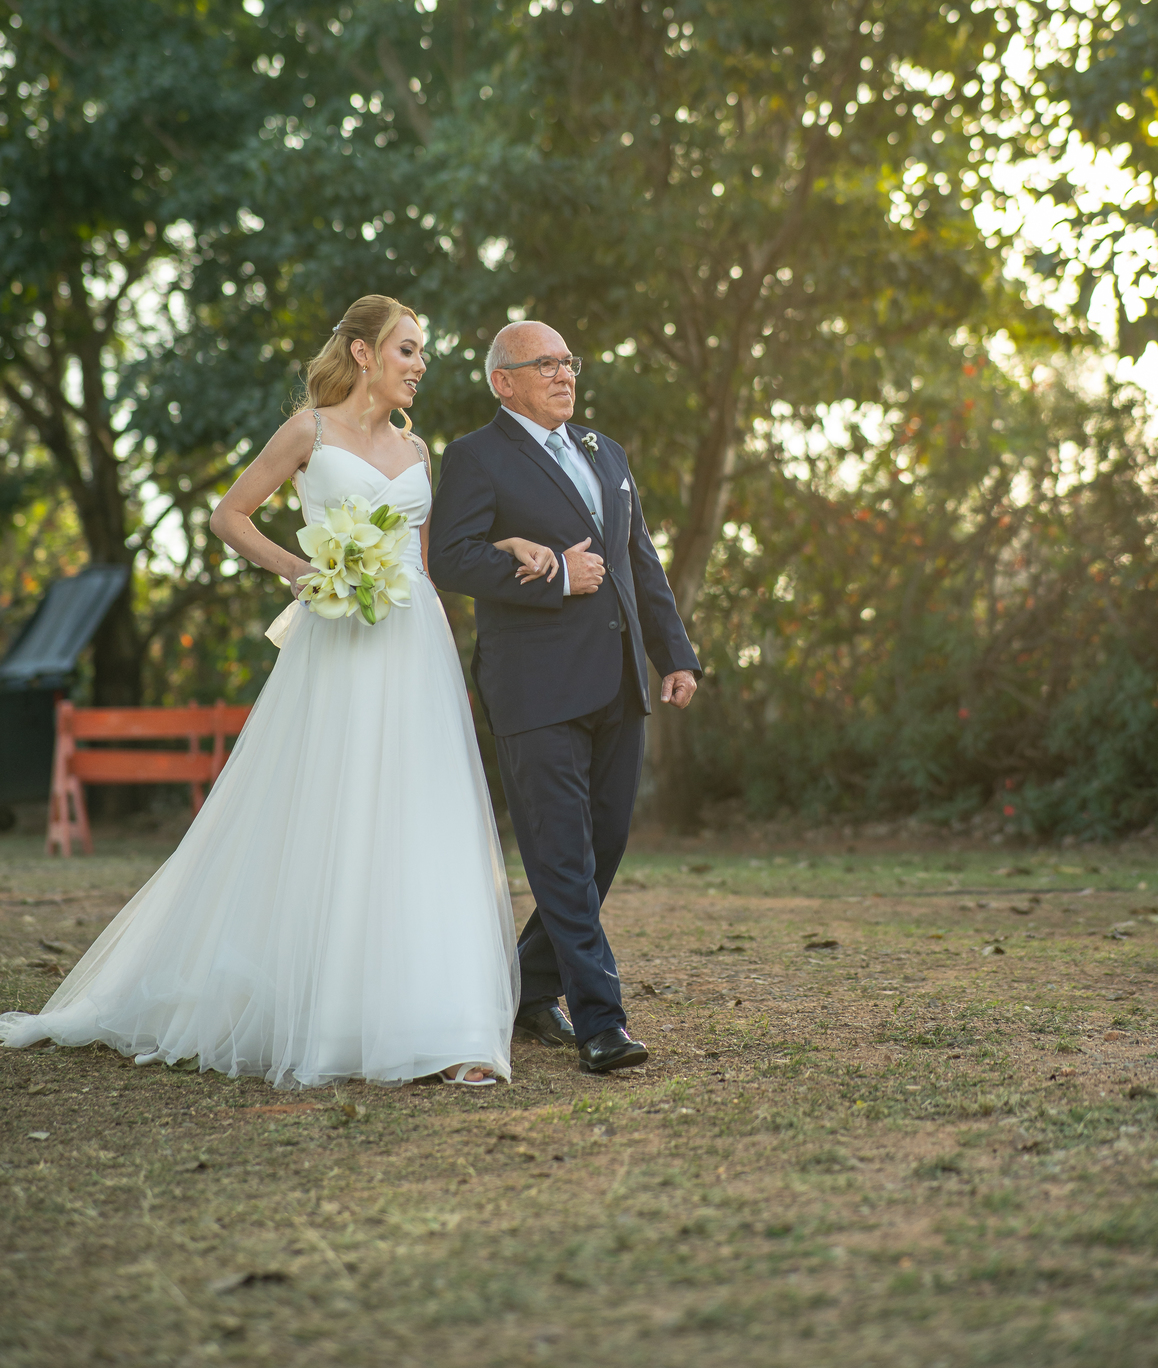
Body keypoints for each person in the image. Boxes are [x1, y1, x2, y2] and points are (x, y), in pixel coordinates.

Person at [0, 296, 540, 1091]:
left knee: (419, 812)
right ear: (363, 353)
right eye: (407, 349)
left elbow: (430, 562)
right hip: (338, 640)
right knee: (331, 806)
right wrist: (301, 569)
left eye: (422, 352)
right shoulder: (308, 431)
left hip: (415, 641)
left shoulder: (418, 448)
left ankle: (440, 1021)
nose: (420, 364)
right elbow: (229, 516)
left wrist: (502, 552)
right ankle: (326, 1009)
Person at [428, 320, 702, 1075]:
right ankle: (601, 1023)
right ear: (503, 382)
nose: (563, 374)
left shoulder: (605, 451)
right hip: (535, 687)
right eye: (543, 364)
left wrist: (674, 653)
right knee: (561, 857)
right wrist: (553, 574)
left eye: (567, 362)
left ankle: (524, 986)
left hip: (619, 681)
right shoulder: (476, 456)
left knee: (602, 847)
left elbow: (638, 559)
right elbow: (449, 558)